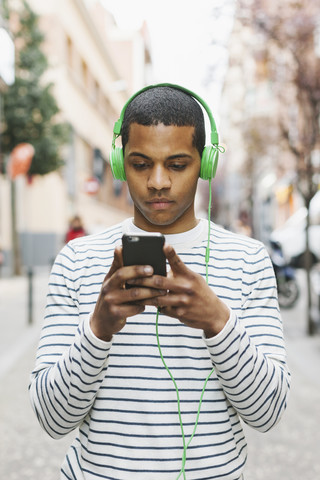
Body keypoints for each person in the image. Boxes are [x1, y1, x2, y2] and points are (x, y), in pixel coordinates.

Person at [29, 84, 291, 480]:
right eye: (139, 164)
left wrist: (219, 322)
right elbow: (52, 419)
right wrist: (98, 328)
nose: (157, 182)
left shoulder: (249, 261)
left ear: (205, 165)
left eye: (177, 164)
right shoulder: (76, 261)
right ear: (119, 164)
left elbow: (268, 413)